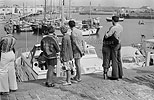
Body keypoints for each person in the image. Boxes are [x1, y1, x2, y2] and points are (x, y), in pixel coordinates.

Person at [102, 16, 123, 80]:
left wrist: (105, 33)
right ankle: (120, 73)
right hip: (119, 43)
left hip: (114, 45)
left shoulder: (113, 28)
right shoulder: (121, 27)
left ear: (113, 21)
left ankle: (115, 75)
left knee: (114, 60)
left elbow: (107, 36)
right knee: (119, 59)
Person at [0, 24, 18, 95]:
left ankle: (4, 89)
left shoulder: (3, 38)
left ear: (6, 30)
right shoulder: (14, 38)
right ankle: (13, 87)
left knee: (3, 71)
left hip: (5, 54)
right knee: (11, 70)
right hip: (11, 54)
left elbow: (0, 47)